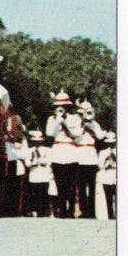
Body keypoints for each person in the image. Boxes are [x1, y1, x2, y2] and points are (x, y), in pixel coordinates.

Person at [45, 89, 81, 218]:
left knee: (71, 185)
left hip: (71, 152)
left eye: (64, 107)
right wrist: (57, 121)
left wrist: (64, 122)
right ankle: (62, 211)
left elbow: (76, 134)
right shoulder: (51, 119)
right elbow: (50, 133)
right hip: (58, 152)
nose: (61, 109)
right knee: (60, 184)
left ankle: (71, 211)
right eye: (58, 107)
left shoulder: (75, 118)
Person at [75, 99, 102, 219]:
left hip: (91, 157)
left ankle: (92, 212)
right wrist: (82, 127)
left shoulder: (95, 124)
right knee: (81, 186)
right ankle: (83, 211)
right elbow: (75, 137)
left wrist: (91, 126)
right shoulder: (77, 123)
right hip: (80, 156)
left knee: (92, 187)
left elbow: (101, 136)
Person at [25, 129, 52, 217]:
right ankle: (35, 211)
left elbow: (49, 161)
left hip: (44, 174)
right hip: (34, 174)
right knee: (34, 194)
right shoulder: (30, 150)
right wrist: (33, 162)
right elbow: (27, 163)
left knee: (44, 193)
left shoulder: (48, 150)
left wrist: (41, 160)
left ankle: (43, 212)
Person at [97, 130, 116, 220]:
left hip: (116, 174)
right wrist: (106, 164)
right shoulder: (102, 152)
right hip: (107, 175)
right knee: (108, 198)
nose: (111, 145)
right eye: (109, 143)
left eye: (112, 143)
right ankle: (110, 215)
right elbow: (100, 165)